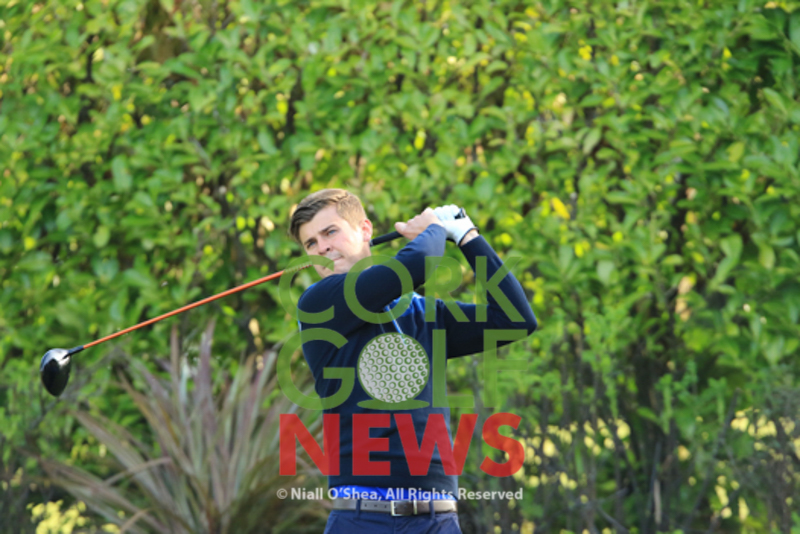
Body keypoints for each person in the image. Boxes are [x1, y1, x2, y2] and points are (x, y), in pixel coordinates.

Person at [290, 188, 537, 533]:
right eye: (311, 243)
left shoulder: (423, 312)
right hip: (361, 519)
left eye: (330, 232)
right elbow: (416, 264)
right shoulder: (318, 304)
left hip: (437, 519)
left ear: (365, 230)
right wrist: (435, 227)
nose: (322, 248)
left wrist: (468, 237)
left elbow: (515, 319)